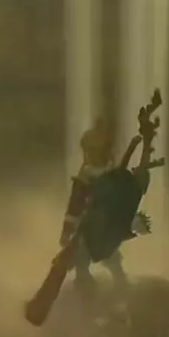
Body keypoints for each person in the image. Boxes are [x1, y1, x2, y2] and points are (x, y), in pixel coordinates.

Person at [60, 116, 127, 300]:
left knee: (111, 261)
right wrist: (67, 231)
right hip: (90, 228)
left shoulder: (113, 177)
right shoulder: (86, 179)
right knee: (83, 261)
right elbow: (74, 207)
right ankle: (87, 291)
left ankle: (120, 291)